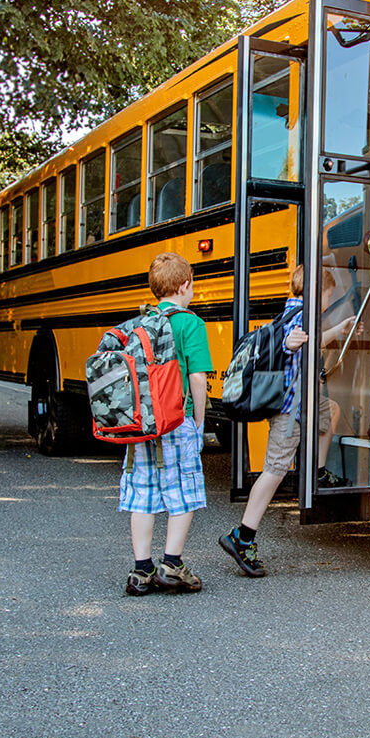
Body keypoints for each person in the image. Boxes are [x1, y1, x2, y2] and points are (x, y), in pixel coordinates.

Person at [219, 263, 359, 577]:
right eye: (327, 295)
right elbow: (294, 340)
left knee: (331, 411)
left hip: (304, 404)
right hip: (289, 410)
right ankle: (242, 536)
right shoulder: (299, 319)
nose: (328, 301)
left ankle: (320, 473)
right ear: (316, 292)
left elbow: (310, 339)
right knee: (274, 470)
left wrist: (338, 330)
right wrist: (292, 343)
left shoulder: (290, 312)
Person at [122, 252, 214, 596]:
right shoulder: (190, 323)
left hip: (141, 422)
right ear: (185, 285)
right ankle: (171, 563)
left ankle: (141, 570)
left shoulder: (139, 323)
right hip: (176, 420)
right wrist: (199, 422)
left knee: (142, 493)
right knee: (183, 492)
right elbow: (198, 378)